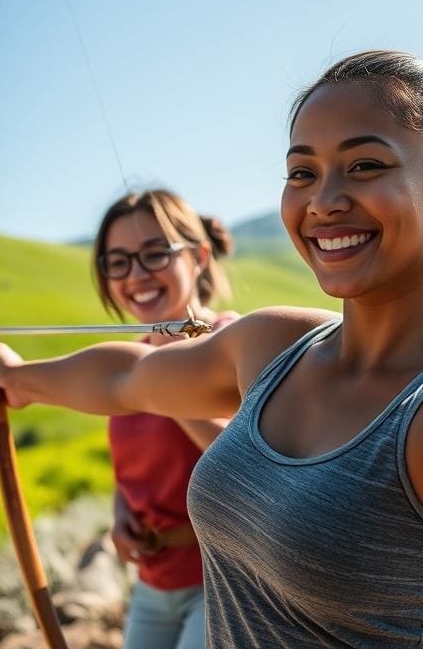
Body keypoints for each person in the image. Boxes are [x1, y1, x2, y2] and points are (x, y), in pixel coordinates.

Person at [0, 51, 423, 648]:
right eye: (302, 172)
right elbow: (129, 378)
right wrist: (19, 379)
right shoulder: (274, 345)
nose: (324, 200)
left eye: (365, 165)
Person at [95, 189, 238, 649]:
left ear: (197, 257)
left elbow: (250, 462)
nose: (136, 275)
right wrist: (121, 518)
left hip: (224, 579)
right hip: (153, 583)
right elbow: (133, 466)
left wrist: (162, 376)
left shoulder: (234, 339)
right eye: (117, 262)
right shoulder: (130, 355)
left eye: (154, 254)